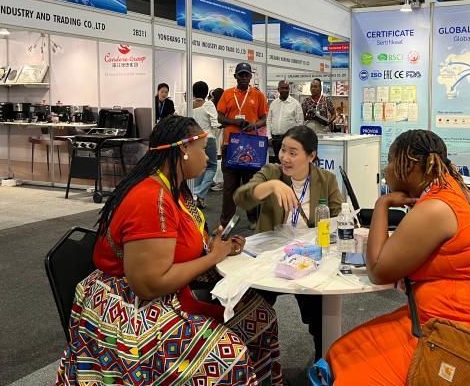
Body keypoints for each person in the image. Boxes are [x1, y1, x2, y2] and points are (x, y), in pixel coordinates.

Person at [57, 115, 282, 385]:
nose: (208, 157)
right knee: (228, 357)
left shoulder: (174, 188)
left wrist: (214, 246)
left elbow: (178, 245)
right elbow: (149, 285)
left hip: (168, 292)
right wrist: (213, 256)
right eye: (203, 149)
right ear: (184, 148)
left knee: (261, 317)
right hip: (130, 305)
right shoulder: (150, 198)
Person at [326, 130, 470, 386]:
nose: (386, 169)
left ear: (410, 165)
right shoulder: (447, 192)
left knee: (348, 366)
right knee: (343, 350)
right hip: (447, 318)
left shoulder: (436, 208)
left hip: (463, 340)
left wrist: (382, 204)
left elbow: (378, 270)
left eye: (390, 161)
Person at [234, 125, 343, 361]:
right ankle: (249, 363)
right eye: (283, 150)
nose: (285, 157)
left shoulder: (326, 179)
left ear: (311, 156)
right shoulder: (271, 172)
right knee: (251, 309)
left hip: (309, 259)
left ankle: (322, 363)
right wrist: (271, 186)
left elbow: (337, 218)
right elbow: (242, 197)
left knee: (319, 315)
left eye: (293, 153)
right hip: (270, 258)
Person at [216, 62, 268, 228]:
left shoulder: (258, 95)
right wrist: (236, 122)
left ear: (251, 76)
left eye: (247, 74)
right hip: (230, 146)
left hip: (251, 146)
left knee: (251, 185)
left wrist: (255, 125)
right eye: (241, 75)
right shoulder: (227, 94)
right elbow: (220, 117)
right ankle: (225, 222)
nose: (244, 78)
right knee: (229, 187)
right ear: (235, 76)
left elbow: (264, 118)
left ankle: (254, 219)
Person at [192, 81, 219, 209]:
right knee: (211, 167)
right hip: (208, 139)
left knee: (198, 168)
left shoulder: (186, 106)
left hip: (194, 141)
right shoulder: (208, 105)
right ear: (207, 92)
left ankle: (196, 196)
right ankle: (200, 193)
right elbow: (215, 124)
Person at [267, 80, 304, 161]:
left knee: (289, 161)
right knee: (277, 162)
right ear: (278, 89)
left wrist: (295, 138)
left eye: (286, 88)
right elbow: (269, 120)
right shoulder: (273, 103)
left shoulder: (296, 104)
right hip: (275, 140)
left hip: (289, 139)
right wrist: (269, 137)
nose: (284, 90)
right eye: (282, 88)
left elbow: (300, 123)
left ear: (289, 89)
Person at [210, 87, 225, 192]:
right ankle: (218, 181)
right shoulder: (218, 106)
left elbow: (217, 123)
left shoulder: (217, 108)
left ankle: (220, 182)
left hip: (220, 134)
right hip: (219, 134)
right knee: (218, 157)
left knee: (219, 158)